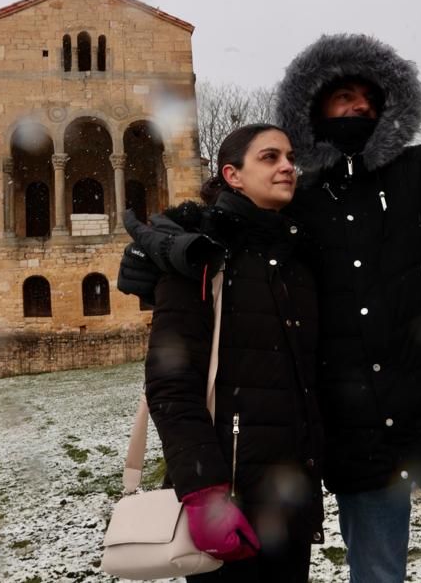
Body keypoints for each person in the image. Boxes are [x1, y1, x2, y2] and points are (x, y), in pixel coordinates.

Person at [120, 9, 421, 582]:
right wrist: (163, 244)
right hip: (359, 443)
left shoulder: (415, 174)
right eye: (341, 96)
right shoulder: (296, 202)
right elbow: (228, 218)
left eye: (368, 98)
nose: (357, 106)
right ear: (314, 109)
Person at [142, 124, 323, 582]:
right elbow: (170, 381)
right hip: (229, 497)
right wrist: (203, 491)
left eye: (289, 156)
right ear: (233, 175)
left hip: (292, 497)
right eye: (269, 157)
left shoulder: (298, 258)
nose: (287, 165)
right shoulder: (200, 254)